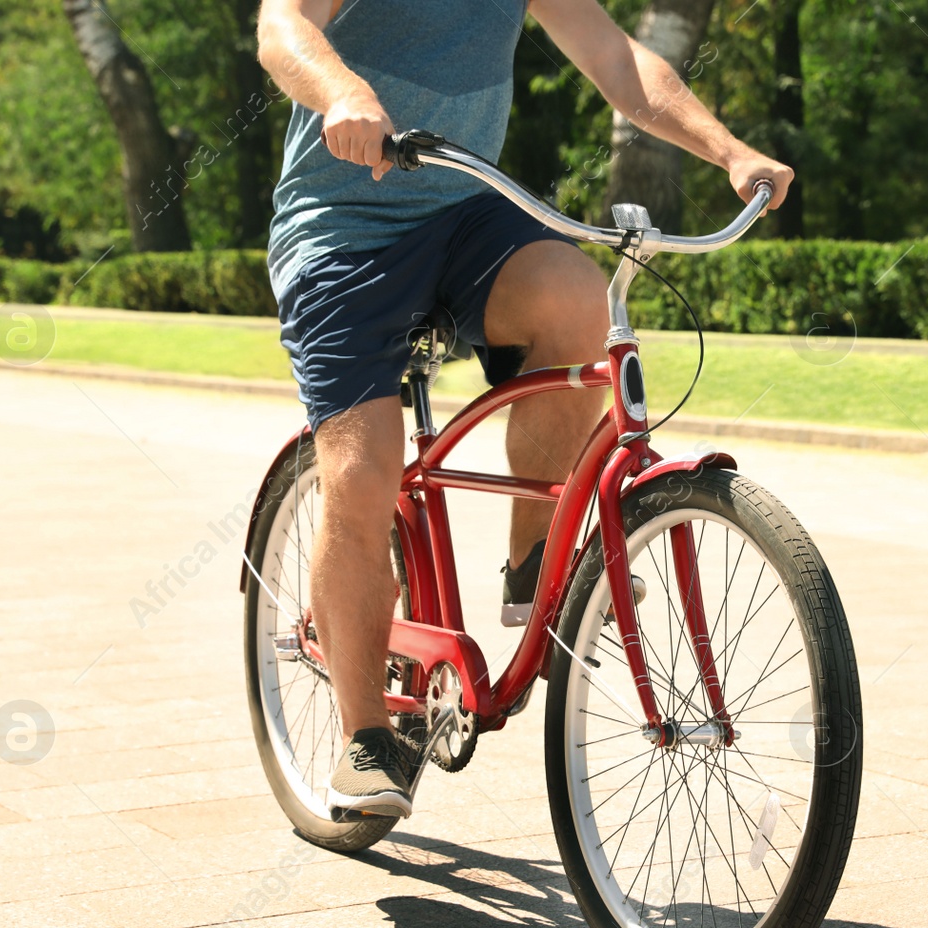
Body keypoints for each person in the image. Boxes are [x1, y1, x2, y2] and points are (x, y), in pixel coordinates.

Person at [257, 0, 793, 818]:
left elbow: (619, 61)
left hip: (463, 213)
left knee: (581, 306)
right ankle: (365, 738)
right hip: (341, 229)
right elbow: (280, 24)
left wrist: (729, 151)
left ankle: (532, 564)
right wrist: (341, 92)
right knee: (363, 477)